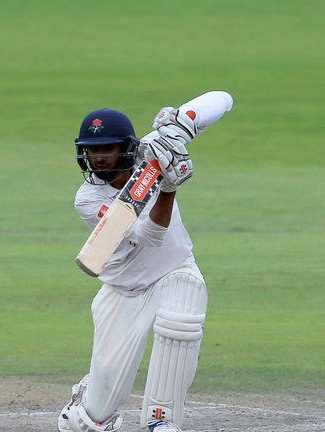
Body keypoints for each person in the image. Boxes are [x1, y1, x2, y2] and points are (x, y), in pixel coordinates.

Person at [57, 107, 207, 432]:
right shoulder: (87, 198)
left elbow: (220, 101)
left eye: (106, 149)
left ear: (125, 146)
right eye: (92, 150)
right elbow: (149, 237)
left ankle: (160, 420)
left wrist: (180, 121)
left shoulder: (154, 152)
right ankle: (90, 396)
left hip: (173, 270)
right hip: (122, 292)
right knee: (86, 422)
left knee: (184, 307)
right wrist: (168, 187)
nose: (98, 157)